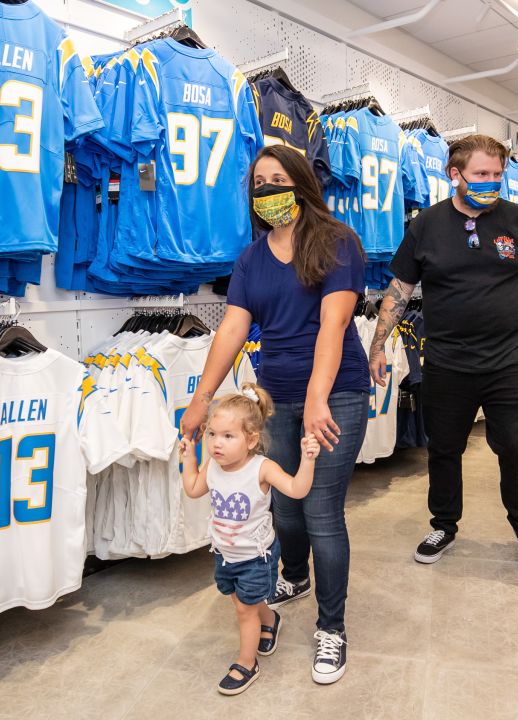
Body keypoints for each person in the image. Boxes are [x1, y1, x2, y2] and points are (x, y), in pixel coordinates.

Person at [178, 144, 369, 685]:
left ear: (302, 183)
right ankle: (294, 577)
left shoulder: (337, 242)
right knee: (282, 505)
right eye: (259, 182)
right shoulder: (251, 258)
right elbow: (233, 330)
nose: (267, 190)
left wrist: (316, 399)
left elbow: (332, 327)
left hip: (337, 394)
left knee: (321, 512)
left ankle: (331, 627)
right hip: (272, 398)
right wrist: (201, 399)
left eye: (277, 179)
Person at [369, 134, 518, 575]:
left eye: (496, 174)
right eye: (481, 174)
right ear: (456, 175)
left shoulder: (517, 218)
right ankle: (444, 525)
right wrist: (379, 343)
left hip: (512, 359)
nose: (491, 182)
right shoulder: (427, 225)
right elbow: (399, 289)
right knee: (444, 448)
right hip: (448, 362)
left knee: (517, 445)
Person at [180, 385, 321, 696]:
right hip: (224, 554)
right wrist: (190, 458)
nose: (217, 443)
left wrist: (308, 460)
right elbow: (192, 488)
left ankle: (247, 663)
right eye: (213, 434)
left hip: (257, 557)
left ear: (252, 439)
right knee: (243, 601)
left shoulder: (262, 468)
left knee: (244, 610)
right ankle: (270, 619)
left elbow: (297, 489)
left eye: (228, 436)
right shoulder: (213, 465)